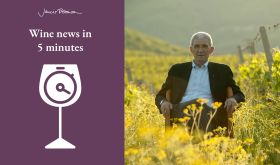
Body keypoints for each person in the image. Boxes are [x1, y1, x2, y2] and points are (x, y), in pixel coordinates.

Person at [155, 32, 245, 135]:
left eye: (204, 46)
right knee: (196, 105)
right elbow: (160, 96)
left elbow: (240, 95)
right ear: (191, 49)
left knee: (200, 107)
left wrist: (233, 99)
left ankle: (193, 145)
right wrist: (164, 102)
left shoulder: (222, 70)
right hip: (181, 111)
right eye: (196, 46)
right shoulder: (177, 70)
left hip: (211, 112)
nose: (200, 50)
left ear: (211, 50)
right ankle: (204, 145)